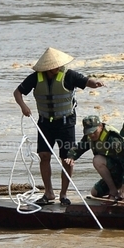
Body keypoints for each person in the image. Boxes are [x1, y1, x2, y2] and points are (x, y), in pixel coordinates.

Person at [13, 47, 104, 206]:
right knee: (44, 156)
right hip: (44, 123)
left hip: (65, 123)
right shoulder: (36, 78)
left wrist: (94, 83)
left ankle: (63, 194)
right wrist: (23, 107)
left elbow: (85, 80)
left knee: (67, 159)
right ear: (47, 67)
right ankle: (48, 193)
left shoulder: (68, 75)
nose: (57, 67)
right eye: (54, 65)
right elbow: (17, 93)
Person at [64, 116, 124, 201]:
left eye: (94, 131)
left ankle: (114, 192)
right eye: (89, 132)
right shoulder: (89, 136)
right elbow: (80, 147)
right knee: (95, 192)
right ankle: (114, 189)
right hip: (113, 174)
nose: (92, 135)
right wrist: (71, 156)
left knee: (97, 160)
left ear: (101, 126)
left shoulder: (113, 139)